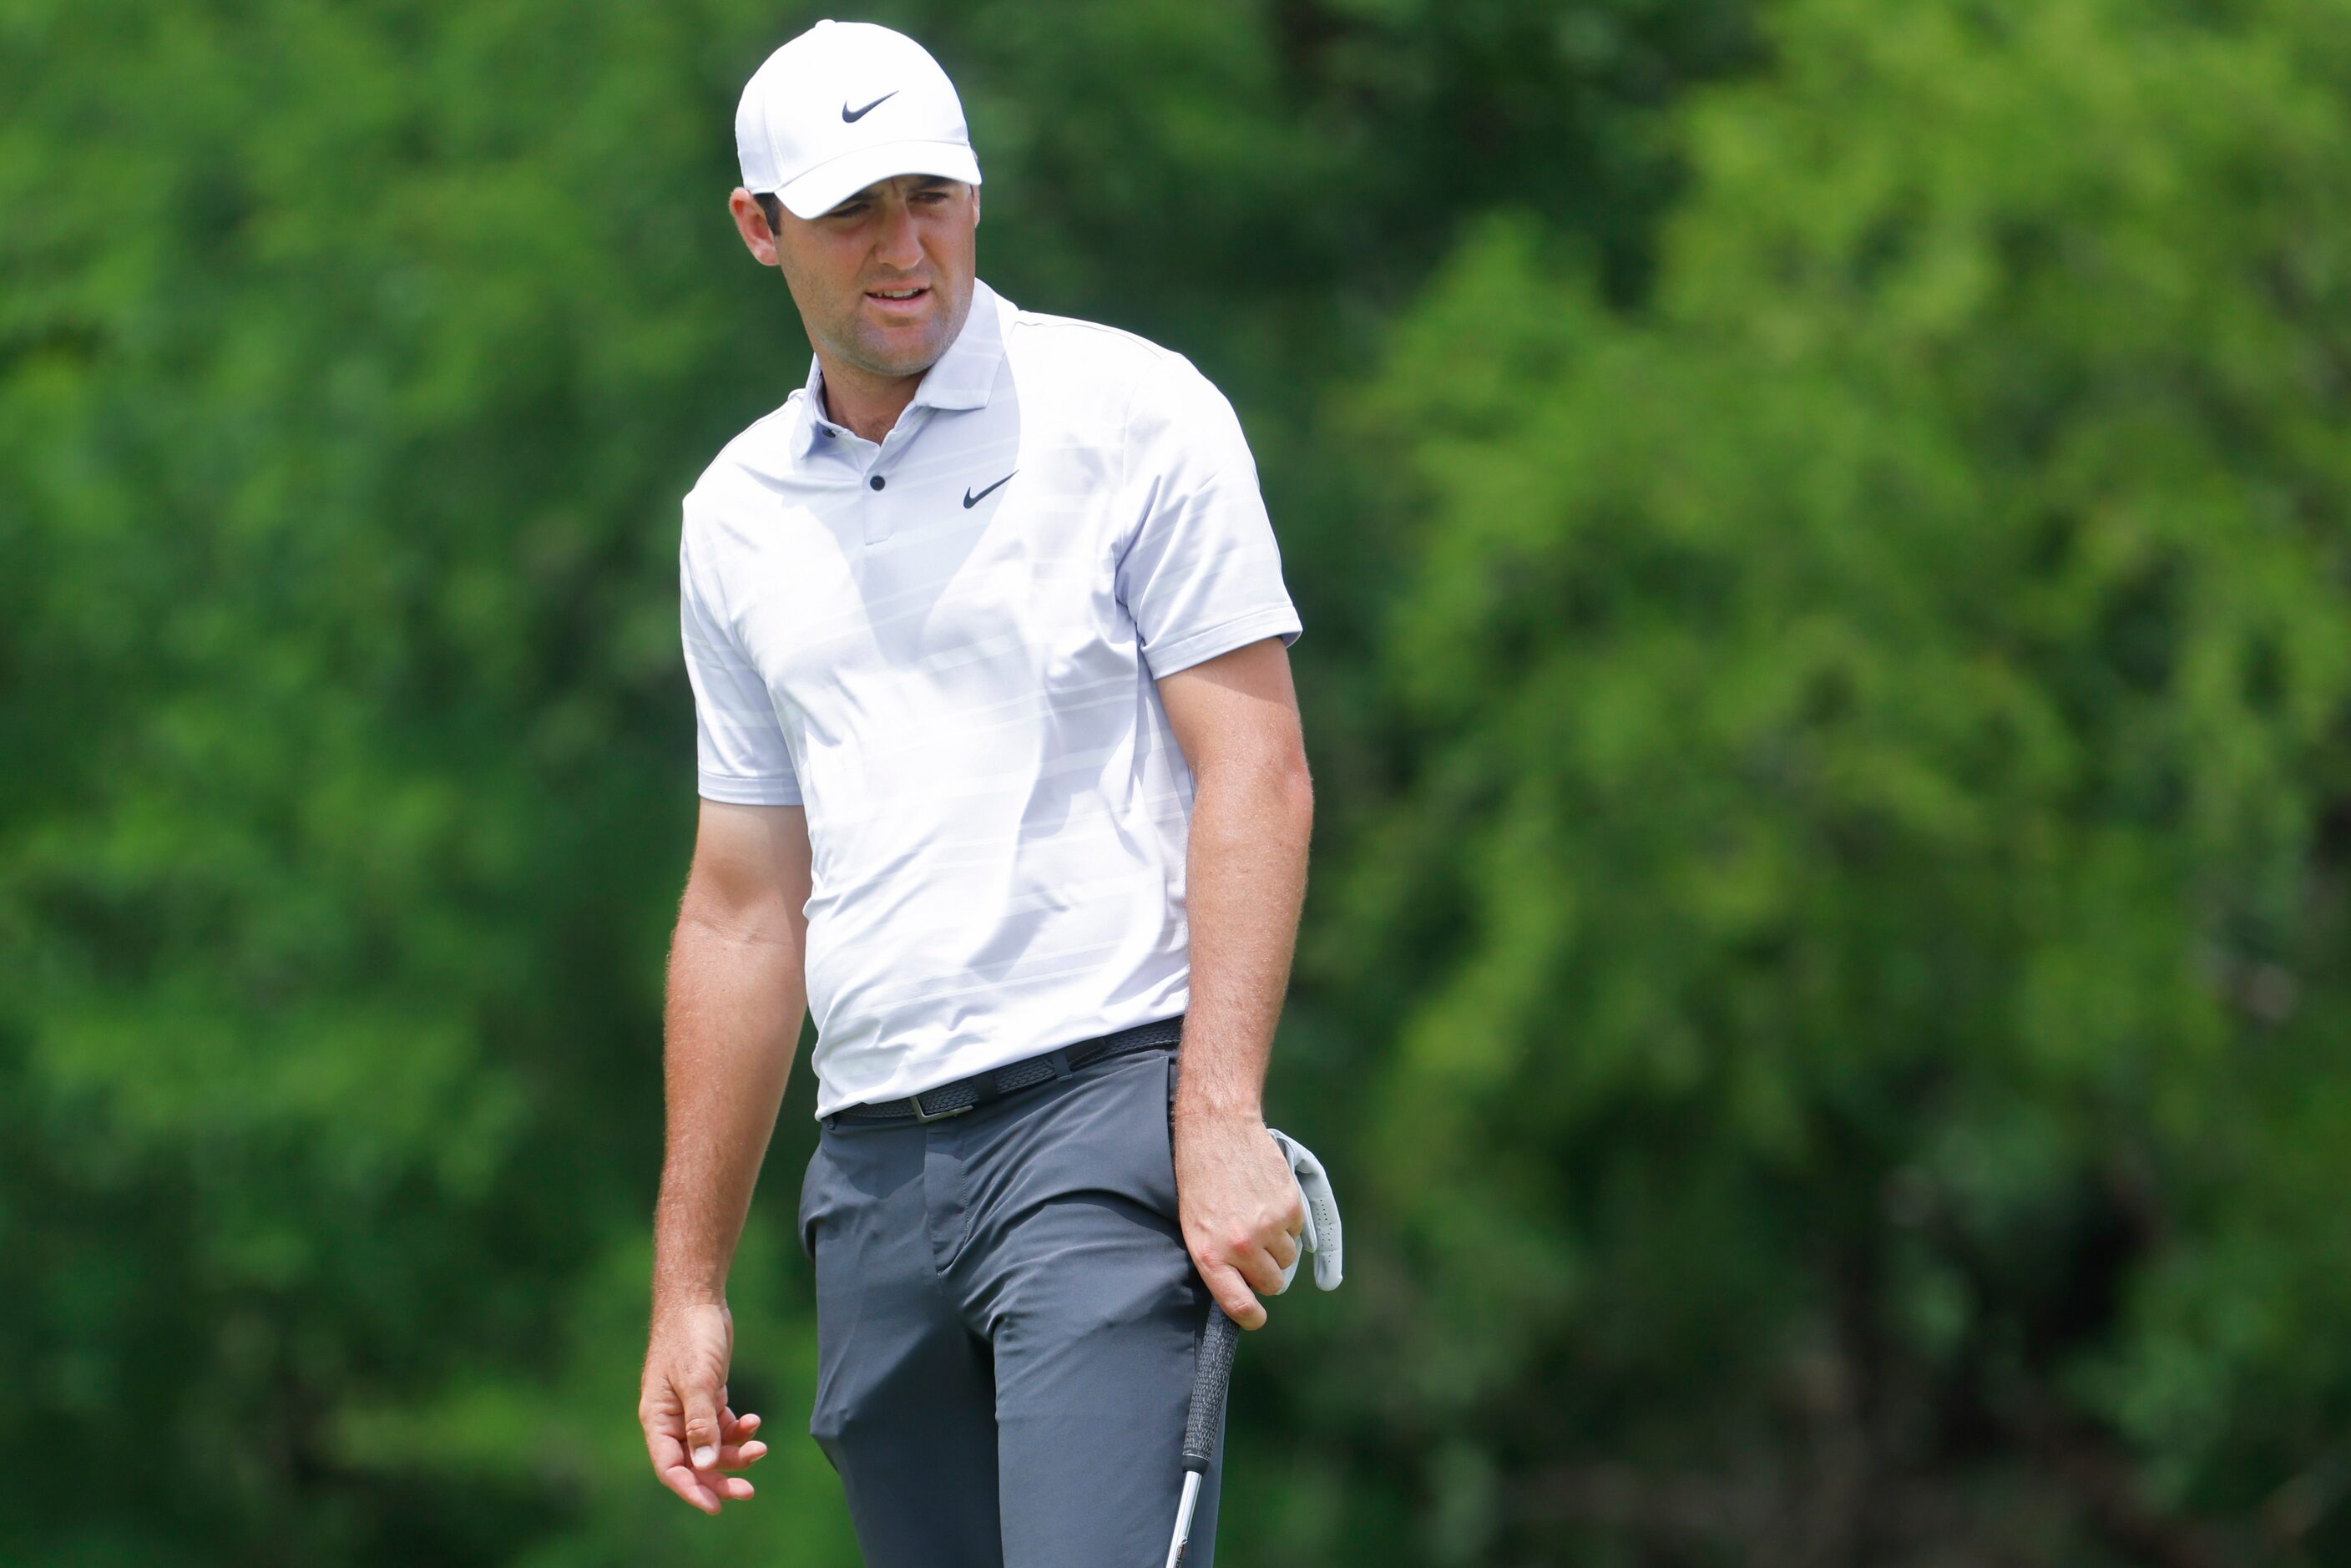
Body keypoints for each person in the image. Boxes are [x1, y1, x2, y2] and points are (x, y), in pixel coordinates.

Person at [635, 18, 1316, 1566]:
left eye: (932, 194)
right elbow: (744, 907)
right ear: (760, 228)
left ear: (979, 192)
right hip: (870, 1172)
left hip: (1097, 1128)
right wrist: (689, 1281)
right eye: (855, 209)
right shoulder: (733, 518)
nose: (904, 246)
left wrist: (1219, 1116)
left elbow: (1257, 766)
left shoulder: (1133, 412)